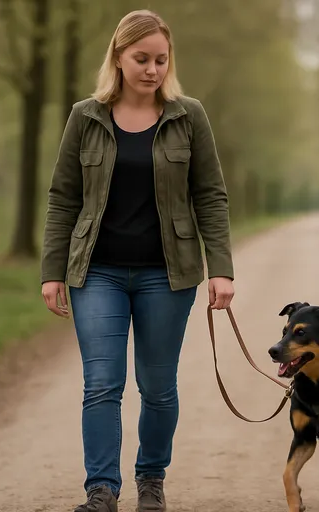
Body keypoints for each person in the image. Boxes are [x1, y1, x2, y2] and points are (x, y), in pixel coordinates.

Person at [39, 9, 235, 512]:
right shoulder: (86, 116)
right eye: (141, 58)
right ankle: (101, 490)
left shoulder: (188, 115)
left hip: (167, 277)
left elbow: (210, 195)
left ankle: (151, 480)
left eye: (161, 60)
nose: (152, 69)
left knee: (158, 387)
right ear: (119, 58)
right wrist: (51, 272)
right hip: (96, 272)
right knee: (102, 384)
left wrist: (222, 270)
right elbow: (63, 197)